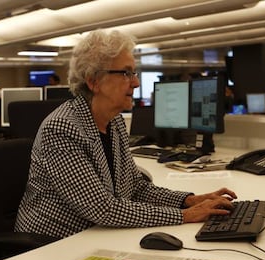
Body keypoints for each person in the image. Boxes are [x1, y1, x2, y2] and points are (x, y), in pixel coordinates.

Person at [14, 29, 237, 239]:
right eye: (125, 73)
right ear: (93, 81)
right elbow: (102, 209)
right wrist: (185, 216)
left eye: (134, 73)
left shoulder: (114, 122)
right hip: (53, 241)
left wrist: (189, 200)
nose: (136, 83)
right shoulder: (62, 129)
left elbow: (136, 188)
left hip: (98, 233)